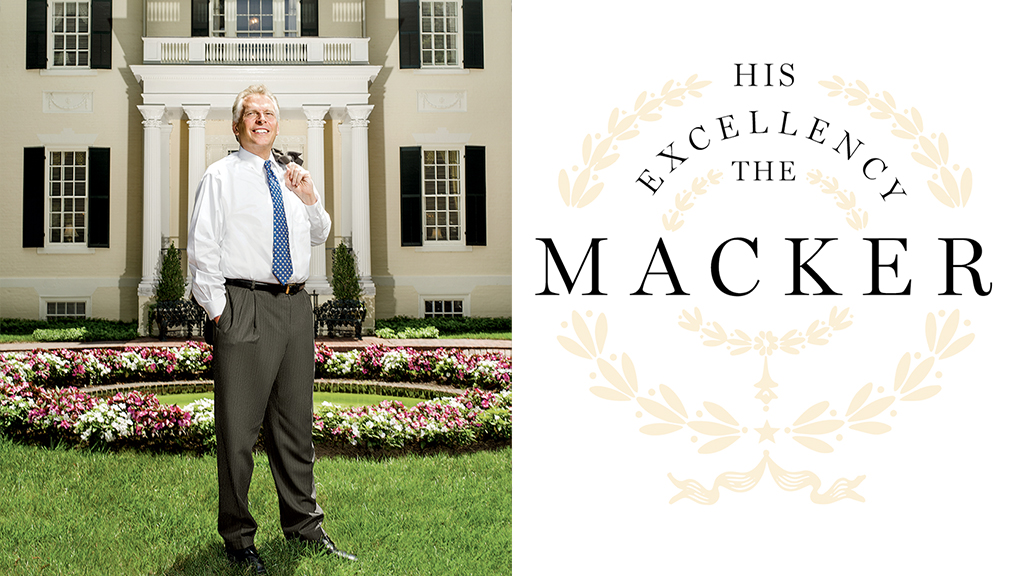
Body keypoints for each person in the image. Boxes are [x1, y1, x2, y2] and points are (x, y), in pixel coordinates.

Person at [188, 84, 356, 573]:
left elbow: (319, 232)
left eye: (269, 113)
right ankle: (238, 538)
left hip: (294, 306)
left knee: (294, 427)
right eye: (252, 113)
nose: (261, 120)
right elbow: (202, 251)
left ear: (277, 125)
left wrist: (309, 198)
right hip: (246, 304)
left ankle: (304, 526)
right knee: (239, 431)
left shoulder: (291, 176)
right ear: (237, 124)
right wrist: (222, 312)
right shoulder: (219, 177)